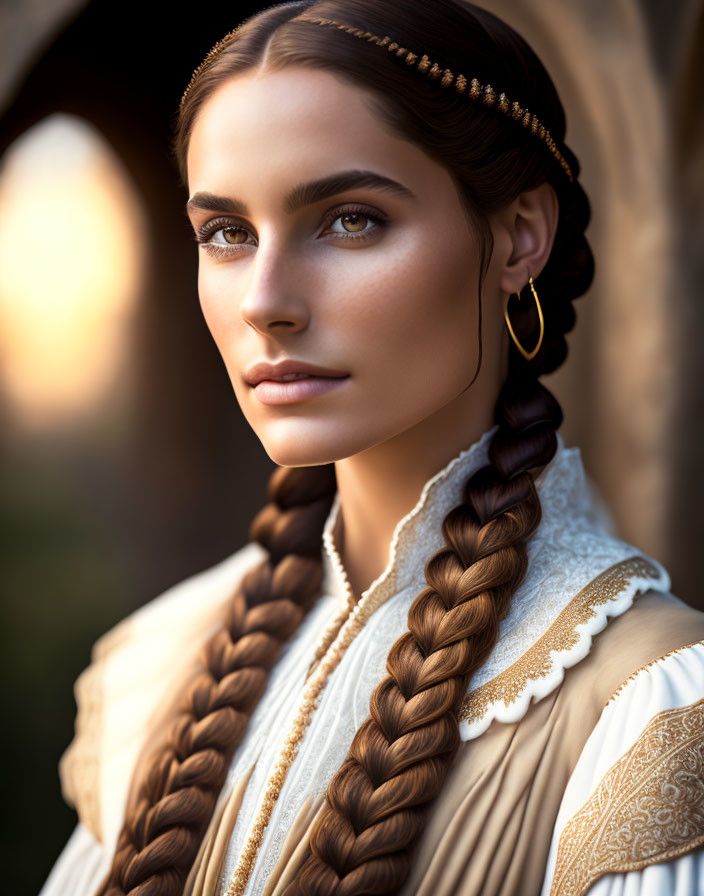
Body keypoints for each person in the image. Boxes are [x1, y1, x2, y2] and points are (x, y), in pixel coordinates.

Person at [39, 1, 704, 895]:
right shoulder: (158, 662)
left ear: (519, 236)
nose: (265, 301)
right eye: (227, 233)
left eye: (350, 219)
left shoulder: (650, 702)